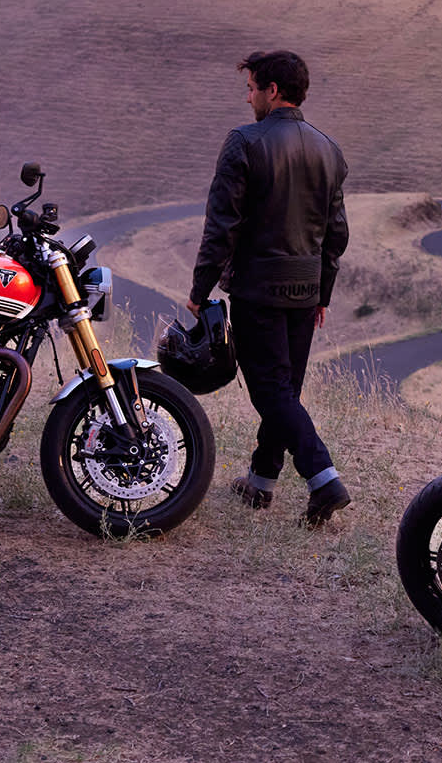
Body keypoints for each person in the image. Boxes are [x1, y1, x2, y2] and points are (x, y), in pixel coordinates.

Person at [187, 50, 351, 527]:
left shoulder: (244, 143)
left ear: (273, 91)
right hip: (304, 289)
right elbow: (335, 234)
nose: (248, 97)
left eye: (252, 88)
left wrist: (199, 290)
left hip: (259, 288)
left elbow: (222, 226)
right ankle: (262, 480)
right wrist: (323, 292)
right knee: (286, 388)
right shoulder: (329, 149)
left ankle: (324, 479)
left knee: (271, 392)